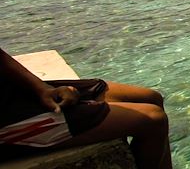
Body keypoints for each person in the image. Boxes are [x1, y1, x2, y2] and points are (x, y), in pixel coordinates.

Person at [0, 48, 171, 168]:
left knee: (151, 98)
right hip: (7, 119)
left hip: (15, 89)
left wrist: (42, 88)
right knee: (153, 119)